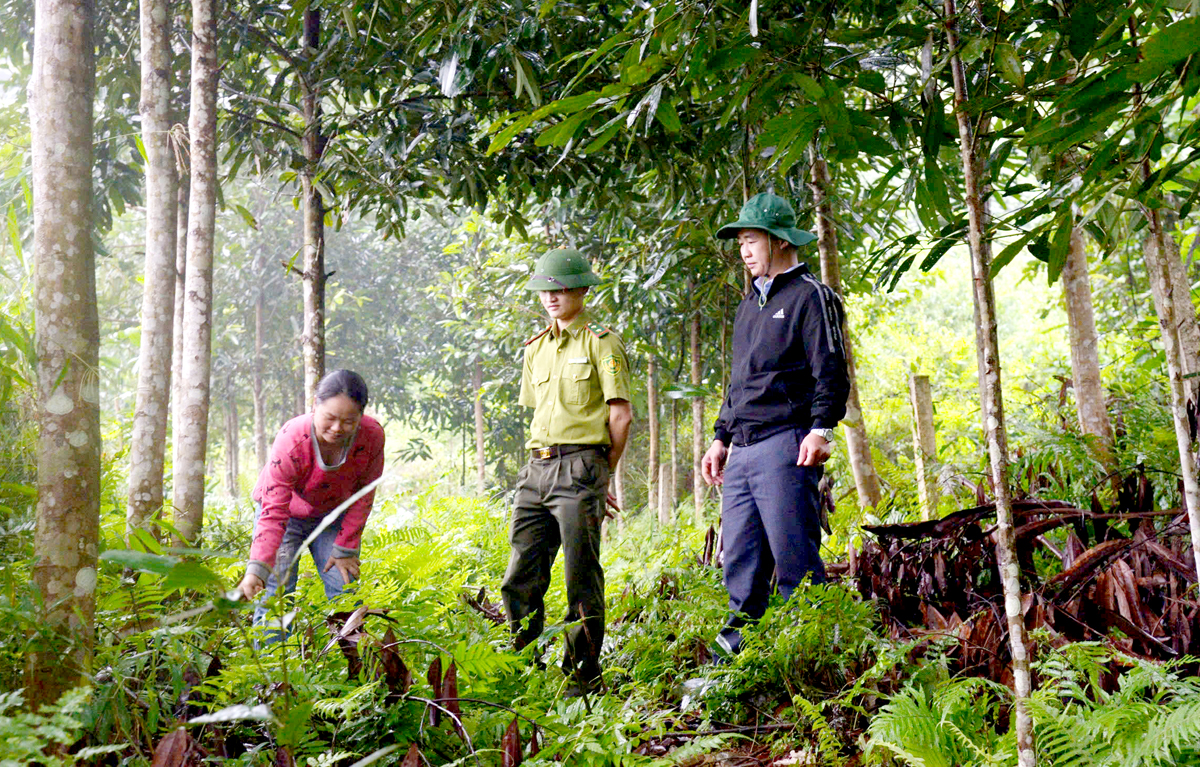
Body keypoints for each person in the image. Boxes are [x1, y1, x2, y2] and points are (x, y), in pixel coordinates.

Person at [700, 192, 850, 657]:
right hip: (742, 451)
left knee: (794, 556)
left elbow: (832, 369)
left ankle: (814, 658)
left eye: (751, 240)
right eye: (740, 242)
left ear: (780, 241)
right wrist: (720, 437)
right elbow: (738, 381)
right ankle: (740, 662)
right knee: (740, 560)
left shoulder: (812, 297)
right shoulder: (749, 306)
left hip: (786, 443)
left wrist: (821, 429)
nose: (743, 251)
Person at [500, 247, 632, 693]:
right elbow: (539, 412)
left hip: (581, 466)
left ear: (580, 289)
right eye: (545, 290)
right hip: (536, 468)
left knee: (581, 574)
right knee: (521, 572)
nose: (551, 298)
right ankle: (521, 669)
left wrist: (602, 474)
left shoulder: (602, 343)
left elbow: (621, 416)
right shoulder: (535, 349)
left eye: (560, 288)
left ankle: (580, 678)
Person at [238, 369, 386, 635]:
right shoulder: (292, 439)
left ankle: (357, 666)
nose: (337, 428)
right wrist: (258, 568)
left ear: (362, 415)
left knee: (344, 587)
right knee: (275, 594)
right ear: (314, 406)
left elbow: (365, 493)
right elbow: (273, 511)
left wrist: (345, 548)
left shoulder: (371, 436)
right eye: (329, 418)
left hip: (332, 517)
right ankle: (273, 671)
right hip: (285, 516)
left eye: (349, 421)